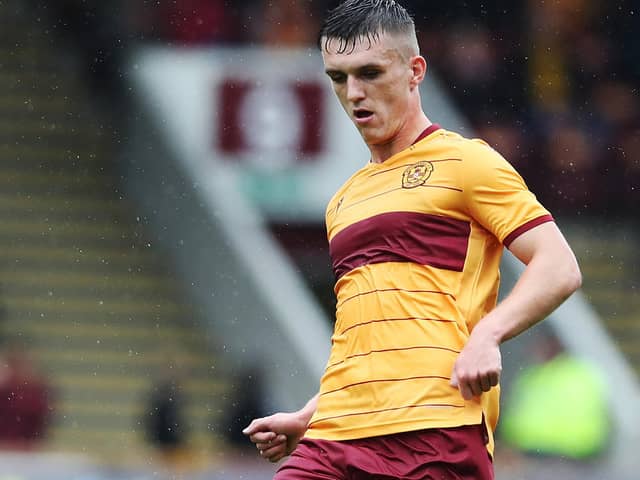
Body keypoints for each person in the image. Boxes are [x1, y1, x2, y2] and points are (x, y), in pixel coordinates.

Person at [243, 1, 582, 478]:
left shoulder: (467, 162)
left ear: (414, 70)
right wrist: (308, 415)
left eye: (370, 73)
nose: (354, 93)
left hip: (435, 431)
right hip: (335, 435)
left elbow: (559, 265)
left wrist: (488, 334)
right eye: (338, 77)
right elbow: (372, 333)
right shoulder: (344, 200)